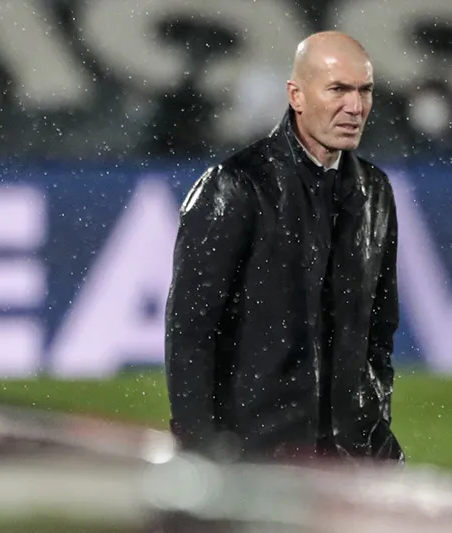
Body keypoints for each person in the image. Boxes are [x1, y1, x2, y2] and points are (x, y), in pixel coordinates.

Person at [164, 30, 404, 465]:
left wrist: (371, 425)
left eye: (364, 90)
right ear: (296, 95)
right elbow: (191, 334)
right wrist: (199, 453)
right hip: (259, 459)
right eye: (338, 89)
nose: (355, 107)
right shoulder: (235, 186)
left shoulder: (375, 192)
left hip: (352, 460)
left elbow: (378, 332)